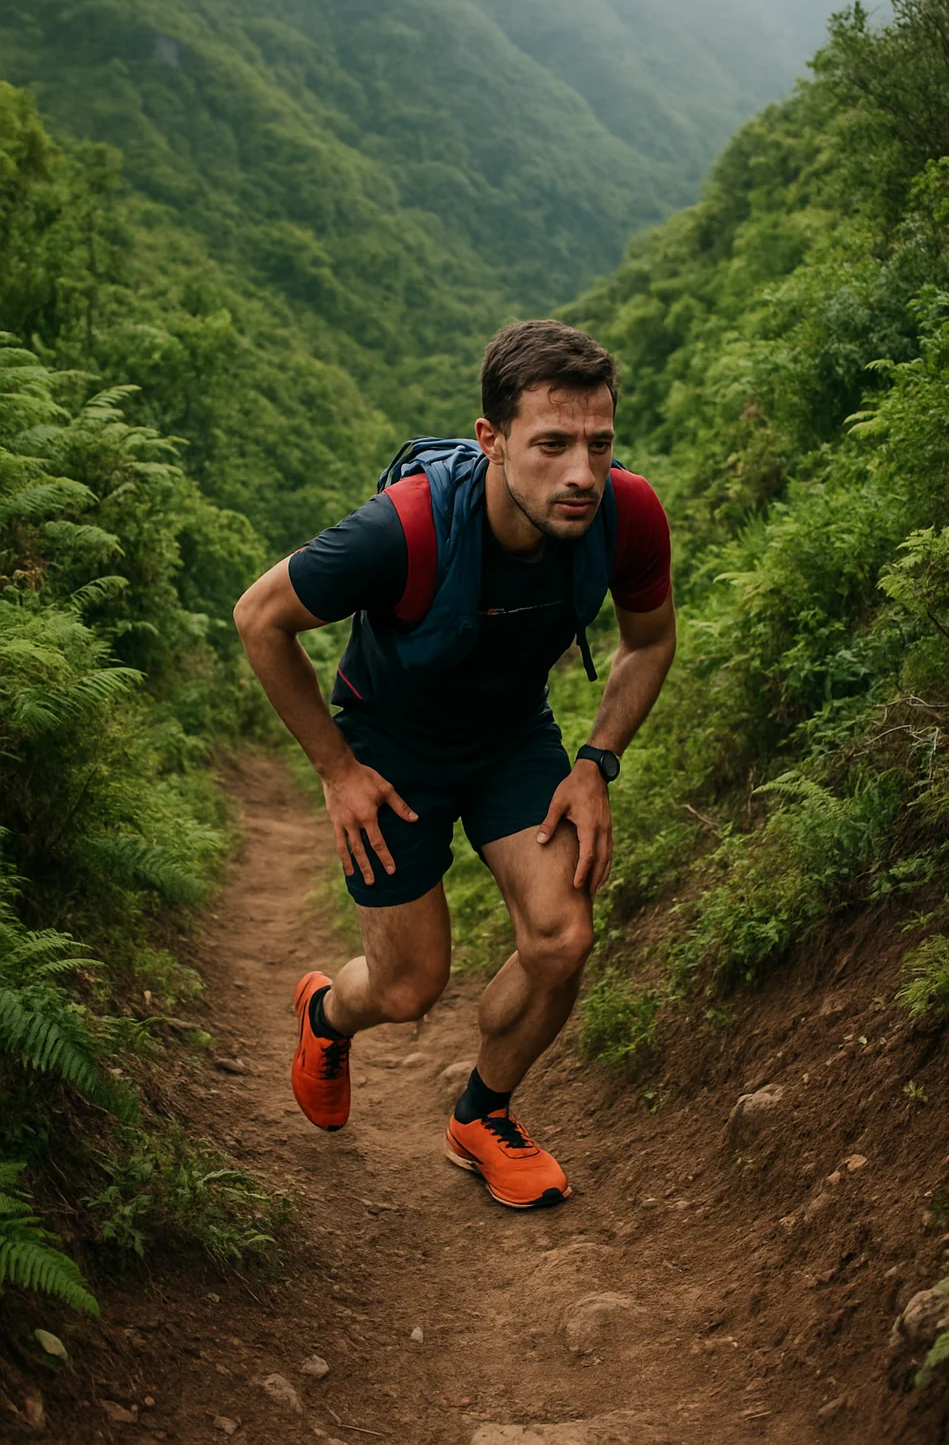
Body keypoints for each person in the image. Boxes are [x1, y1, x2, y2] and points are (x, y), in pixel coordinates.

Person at [233, 320, 676, 1210]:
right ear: (493, 440)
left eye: (598, 443)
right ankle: (325, 1013)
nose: (581, 473)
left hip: (512, 738)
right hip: (390, 751)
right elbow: (258, 617)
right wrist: (337, 770)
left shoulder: (628, 515)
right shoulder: (401, 531)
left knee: (563, 936)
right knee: (406, 989)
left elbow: (650, 640)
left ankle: (483, 1115)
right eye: (551, 444)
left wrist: (594, 764)